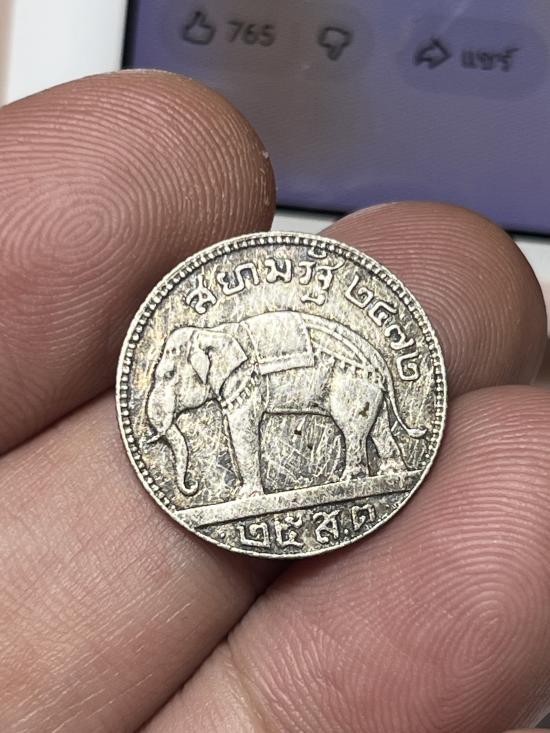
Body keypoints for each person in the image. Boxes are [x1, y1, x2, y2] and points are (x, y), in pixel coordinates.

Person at [0, 69, 548, 733]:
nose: (168, 391)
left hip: (344, 380)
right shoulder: (222, 365)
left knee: (369, 433)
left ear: (207, 364)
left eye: (175, 378)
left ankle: (353, 465)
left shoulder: (232, 365)